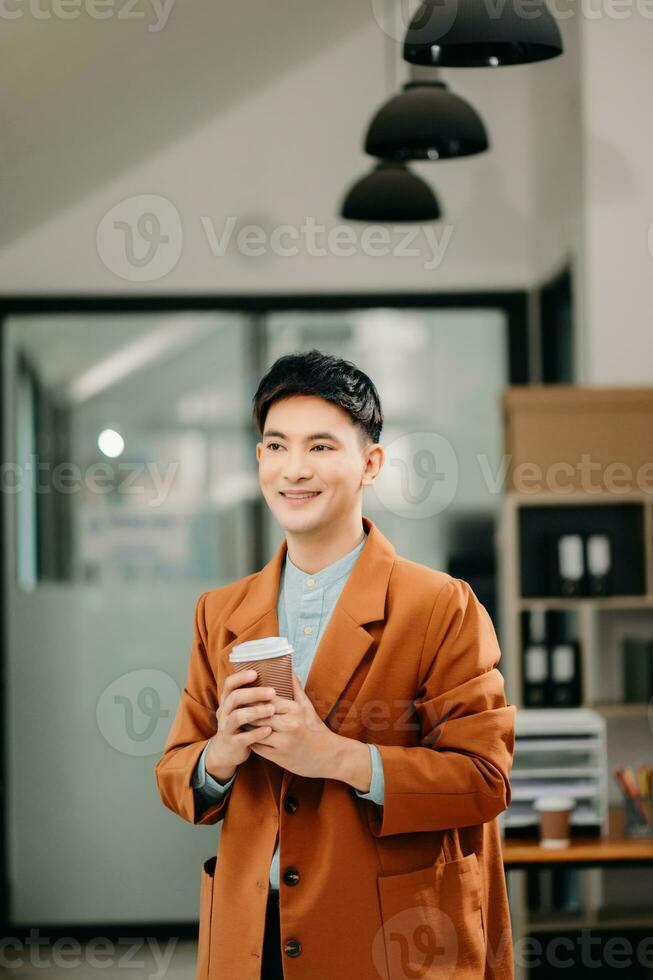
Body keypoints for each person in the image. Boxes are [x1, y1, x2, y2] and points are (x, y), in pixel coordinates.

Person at [154, 348, 516, 980]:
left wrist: (338, 758)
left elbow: (484, 779)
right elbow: (176, 771)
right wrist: (220, 754)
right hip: (251, 939)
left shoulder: (439, 607)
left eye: (320, 447)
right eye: (275, 446)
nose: (293, 469)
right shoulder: (220, 611)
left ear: (369, 463)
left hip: (386, 940)